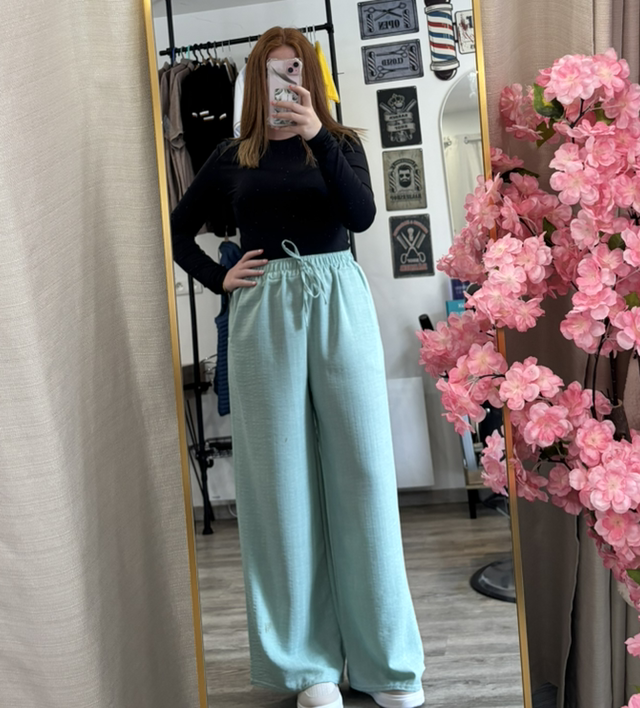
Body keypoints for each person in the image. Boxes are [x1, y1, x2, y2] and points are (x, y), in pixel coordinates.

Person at [170, 26, 425, 708]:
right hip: (264, 308)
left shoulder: (341, 143)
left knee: (364, 470)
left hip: (339, 296)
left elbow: (361, 217)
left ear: (310, 75)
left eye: (295, 69)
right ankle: (305, 666)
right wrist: (217, 278)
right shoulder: (230, 155)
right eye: (272, 71)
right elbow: (177, 230)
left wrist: (317, 135)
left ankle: (385, 662)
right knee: (278, 482)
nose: (285, 81)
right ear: (255, 80)